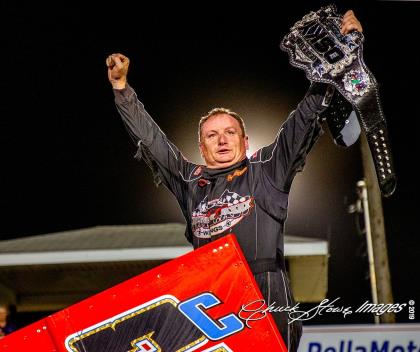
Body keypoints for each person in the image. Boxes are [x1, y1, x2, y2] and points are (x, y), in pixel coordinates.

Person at [107, 10, 362, 351]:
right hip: (210, 297)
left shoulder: (267, 169)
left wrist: (340, 55)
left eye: (230, 133)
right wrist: (122, 89)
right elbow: (153, 143)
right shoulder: (189, 181)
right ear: (201, 146)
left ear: (245, 142)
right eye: (212, 135)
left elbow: (302, 120)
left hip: (266, 290)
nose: (222, 140)